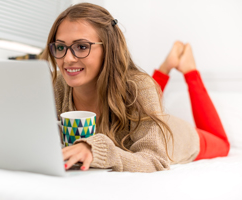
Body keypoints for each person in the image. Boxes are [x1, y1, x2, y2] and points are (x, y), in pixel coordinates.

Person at [41, 3, 230, 172]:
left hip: (176, 136)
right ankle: (166, 67)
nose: (67, 59)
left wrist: (96, 149)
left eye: (81, 47)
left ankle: (189, 70)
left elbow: (155, 159)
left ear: (109, 48)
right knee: (137, 92)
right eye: (60, 47)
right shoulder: (59, 86)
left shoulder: (139, 87)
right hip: (143, 111)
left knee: (223, 144)